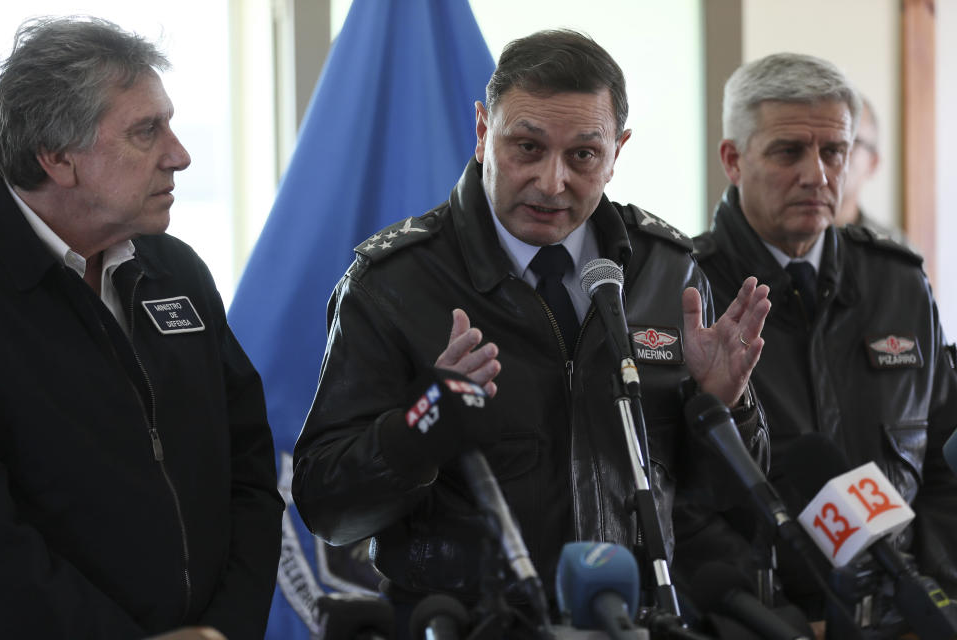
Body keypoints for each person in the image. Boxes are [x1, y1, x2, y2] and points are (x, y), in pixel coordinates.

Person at [292, 29, 770, 631]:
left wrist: (720, 407)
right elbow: (326, 507)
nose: (551, 183)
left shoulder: (664, 269)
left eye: (583, 156)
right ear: (481, 132)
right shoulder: (393, 283)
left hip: (631, 619)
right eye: (526, 147)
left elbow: (727, 503)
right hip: (470, 625)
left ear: (617, 152)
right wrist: (422, 424)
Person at [0, 16, 283, 639]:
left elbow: (253, 472)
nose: (179, 155)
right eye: (146, 132)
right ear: (57, 157)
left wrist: (224, 630)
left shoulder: (175, 270)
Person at [682, 52, 957, 631]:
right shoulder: (683, 289)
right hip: (764, 621)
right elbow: (671, 496)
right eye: (789, 152)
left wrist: (930, 592)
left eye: (835, 151)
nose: (819, 175)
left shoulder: (898, 281)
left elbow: (941, 465)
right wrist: (772, 614)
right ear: (733, 159)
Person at [835, 95, 907, 243]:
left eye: (850, 141)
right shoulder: (782, 239)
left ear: (873, 163)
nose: (835, 153)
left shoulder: (895, 249)